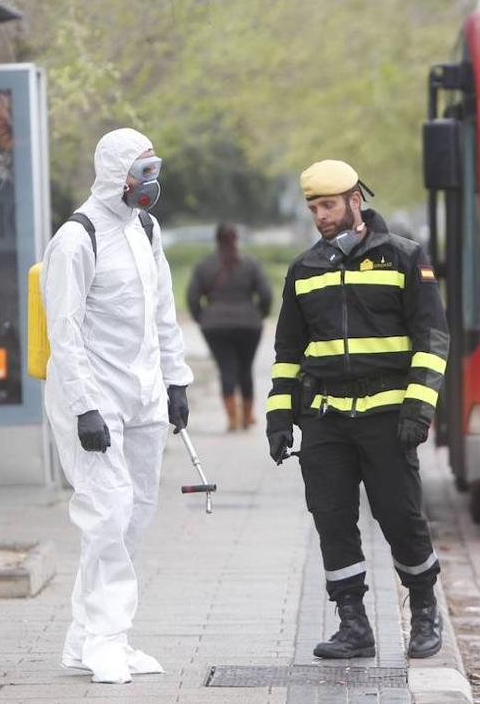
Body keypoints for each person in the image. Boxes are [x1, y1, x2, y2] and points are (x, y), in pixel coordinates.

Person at [265, 159, 450, 660]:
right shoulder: (304, 270)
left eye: (328, 205)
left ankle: (425, 612)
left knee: (401, 517)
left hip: (388, 418)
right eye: (313, 208)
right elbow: (288, 354)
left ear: (355, 201)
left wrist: (419, 407)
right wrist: (279, 418)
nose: (320, 216)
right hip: (325, 420)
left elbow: (432, 339)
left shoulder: (405, 258)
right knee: (332, 519)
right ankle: (353, 624)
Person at [41, 127, 192, 685]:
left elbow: (163, 310)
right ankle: (107, 638)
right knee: (107, 513)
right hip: (95, 397)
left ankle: (89, 637)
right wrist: (84, 406)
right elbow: (65, 330)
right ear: (115, 174)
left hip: (145, 393)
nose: (150, 184)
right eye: (142, 172)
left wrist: (176, 380)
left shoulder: (146, 229)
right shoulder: (77, 239)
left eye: (155, 169)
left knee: (134, 513)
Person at [187, 223, 272, 431]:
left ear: (216, 241)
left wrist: (204, 317)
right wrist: (258, 315)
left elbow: (192, 297)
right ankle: (248, 416)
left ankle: (232, 419)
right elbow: (266, 295)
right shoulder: (251, 264)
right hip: (249, 324)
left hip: (214, 326)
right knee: (245, 368)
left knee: (226, 367)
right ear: (236, 240)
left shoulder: (204, 265)